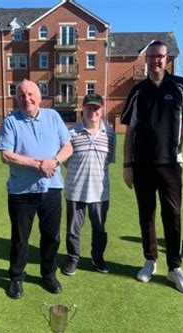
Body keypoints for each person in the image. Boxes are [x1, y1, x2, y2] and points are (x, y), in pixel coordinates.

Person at [121, 41, 183, 293]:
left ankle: (174, 268)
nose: (156, 60)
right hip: (141, 164)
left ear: (167, 59)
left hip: (170, 163)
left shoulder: (180, 86)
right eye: (152, 56)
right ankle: (150, 261)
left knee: (173, 215)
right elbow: (130, 130)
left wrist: (179, 138)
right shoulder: (138, 91)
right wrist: (127, 165)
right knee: (146, 215)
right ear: (145, 59)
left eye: (161, 56)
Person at [0, 79, 73, 299]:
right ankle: (16, 277)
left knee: (52, 236)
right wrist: (39, 164)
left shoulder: (53, 117)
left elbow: (67, 146)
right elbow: (6, 155)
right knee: (20, 238)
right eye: (21, 95)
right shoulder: (11, 121)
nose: (26, 99)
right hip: (21, 192)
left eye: (30, 94)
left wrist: (54, 162)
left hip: (51, 188)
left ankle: (48, 274)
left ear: (39, 97)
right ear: (16, 98)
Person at [62, 93, 116, 276]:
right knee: (72, 230)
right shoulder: (71, 133)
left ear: (102, 110)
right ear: (82, 109)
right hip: (75, 190)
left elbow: (108, 161)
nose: (93, 111)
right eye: (89, 108)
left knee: (99, 229)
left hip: (100, 193)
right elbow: (65, 160)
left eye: (96, 108)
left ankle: (97, 258)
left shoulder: (110, 134)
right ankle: (73, 259)